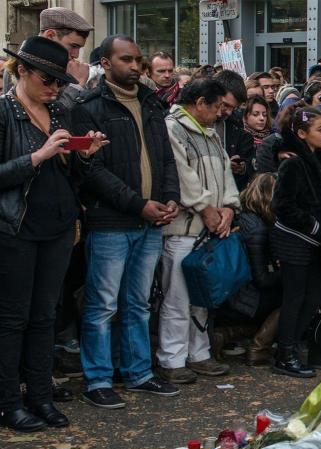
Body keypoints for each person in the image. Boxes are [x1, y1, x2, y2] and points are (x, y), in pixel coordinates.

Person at [0, 37, 107, 431]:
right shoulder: (4, 111)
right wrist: (38, 155)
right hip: (16, 227)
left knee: (46, 316)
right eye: (48, 79)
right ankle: (9, 401)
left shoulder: (59, 111)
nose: (55, 88)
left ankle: (41, 396)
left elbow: (70, 177)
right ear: (22, 70)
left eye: (61, 82)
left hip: (57, 225)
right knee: (14, 318)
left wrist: (81, 155)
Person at [72, 34, 180, 410]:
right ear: (105, 63)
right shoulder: (89, 106)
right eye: (125, 60)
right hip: (111, 221)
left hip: (150, 222)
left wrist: (170, 198)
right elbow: (93, 171)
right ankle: (98, 378)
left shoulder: (151, 103)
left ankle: (139, 373)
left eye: (138, 59)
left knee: (138, 302)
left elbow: (165, 158)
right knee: (102, 304)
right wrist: (139, 205)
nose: (135, 66)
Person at [159, 78, 239, 382]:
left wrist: (229, 207)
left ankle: (199, 353)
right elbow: (182, 175)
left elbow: (225, 171)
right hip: (184, 228)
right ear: (200, 103)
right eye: (217, 106)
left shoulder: (210, 133)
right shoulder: (173, 128)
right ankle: (172, 358)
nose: (221, 112)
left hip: (211, 228)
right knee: (177, 297)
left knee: (202, 296)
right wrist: (206, 208)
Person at [269, 106, 321, 377]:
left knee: (314, 295)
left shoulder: (318, 160)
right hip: (295, 239)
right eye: (320, 129)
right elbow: (282, 204)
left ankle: (290, 345)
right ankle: (285, 353)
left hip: (314, 240)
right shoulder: (293, 163)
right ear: (303, 134)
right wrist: (313, 224)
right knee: (295, 297)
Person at [226, 173, 281, 365]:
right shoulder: (258, 229)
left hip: (234, 292)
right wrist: (287, 274)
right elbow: (262, 279)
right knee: (296, 297)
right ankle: (259, 346)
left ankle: (226, 334)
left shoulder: (243, 218)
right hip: (246, 298)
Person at [214, 70, 256, 192]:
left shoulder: (235, 126)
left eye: (233, 107)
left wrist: (242, 167)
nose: (228, 112)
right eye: (225, 105)